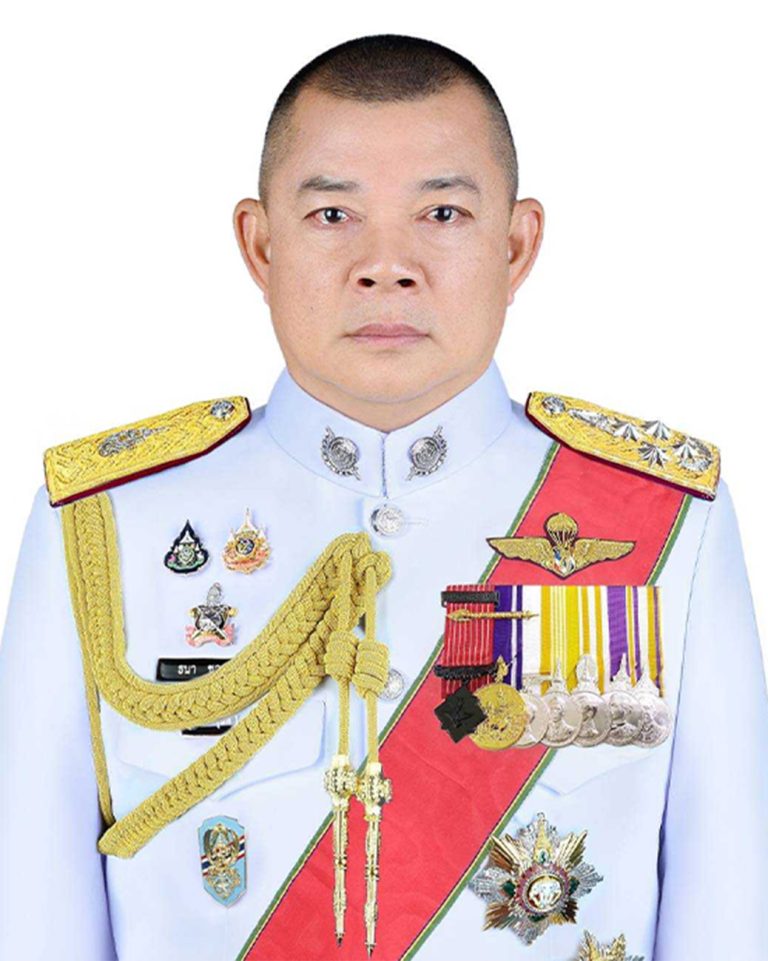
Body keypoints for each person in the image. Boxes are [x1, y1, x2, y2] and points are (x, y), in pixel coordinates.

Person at [1, 31, 766, 961]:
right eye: (333, 215)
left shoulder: (669, 525)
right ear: (261, 244)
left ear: (516, 244)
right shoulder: (110, 524)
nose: (386, 264)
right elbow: (34, 916)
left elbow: (729, 913)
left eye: (442, 212)